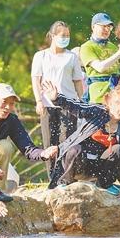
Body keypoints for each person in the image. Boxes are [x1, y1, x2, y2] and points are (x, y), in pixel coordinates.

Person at [0, 83, 59, 202]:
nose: (8, 107)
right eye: (4, 102)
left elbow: (27, 148)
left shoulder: (12, 120)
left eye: (12, 103)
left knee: (5, 146)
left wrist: (43, 153)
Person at [31, 21, 84, 174]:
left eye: (68, 35)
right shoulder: (41, 56)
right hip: (47, 104)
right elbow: (36, 80)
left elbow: (77, 82)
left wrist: (81, 103)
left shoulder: (71, 56)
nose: (66, 38)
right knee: (49, 142)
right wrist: (38, 101)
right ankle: (52, 176)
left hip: (68, 104)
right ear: (53, 36)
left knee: (66, 140)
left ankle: (66, 176)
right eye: (62, 35)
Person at [80, 12, 120, 103]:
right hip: (98, 96)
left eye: (109, 27)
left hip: (116, 97)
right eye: (103, 26)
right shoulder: (86, 47)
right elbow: (100, 67)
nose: (107, 29)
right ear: (93, 27)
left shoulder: (112, 46)